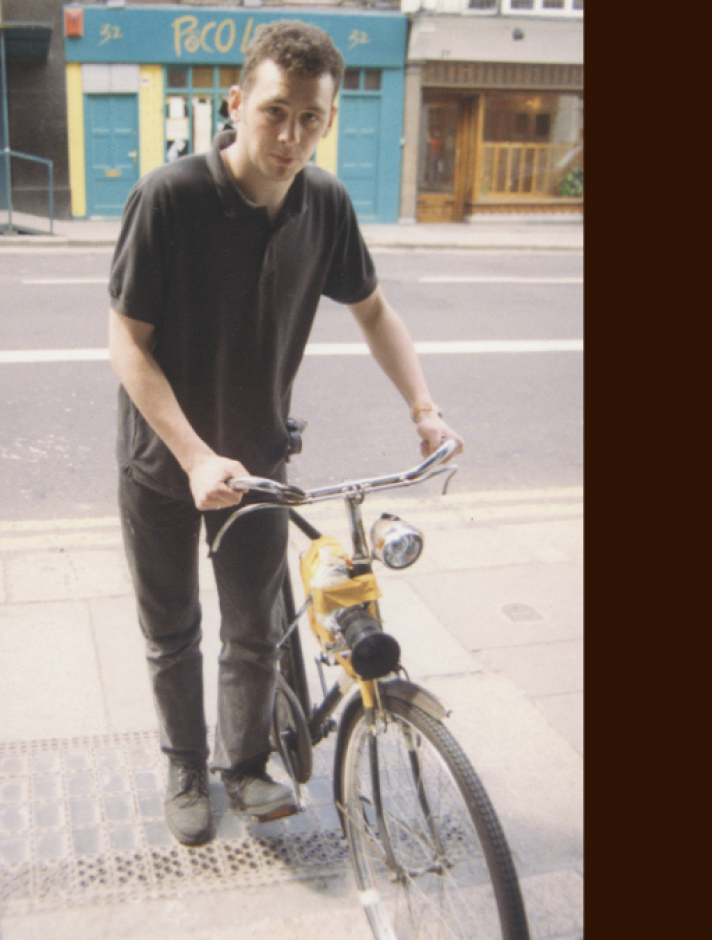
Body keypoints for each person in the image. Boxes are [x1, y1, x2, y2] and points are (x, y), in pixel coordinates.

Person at [106, 20, 464, 848]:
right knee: (172, 634)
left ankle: (246, 765)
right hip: (164, 464)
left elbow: (373, 310)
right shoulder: (172, 197)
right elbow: (126, 342)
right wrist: (194, 457)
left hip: (260, 463)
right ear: (236, 105)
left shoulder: (324, 204)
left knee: (256, 630)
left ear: (328, 120)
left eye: (311, 118)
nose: (291, 135)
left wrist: (425, 409)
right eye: (275, 113)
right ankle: (186, 767)